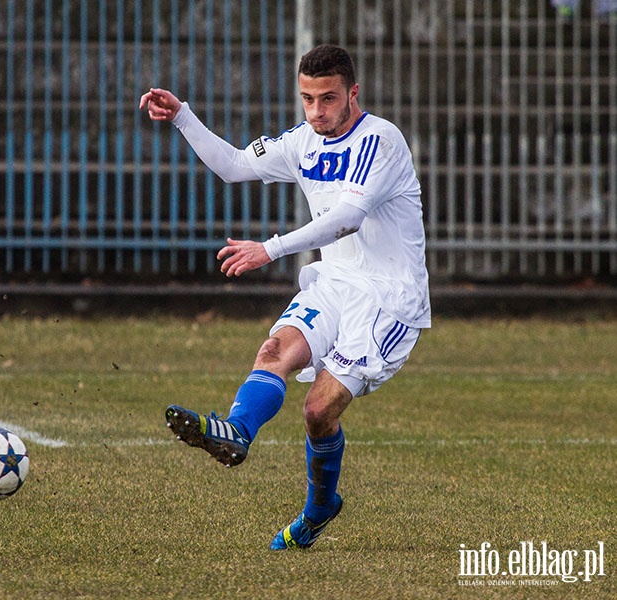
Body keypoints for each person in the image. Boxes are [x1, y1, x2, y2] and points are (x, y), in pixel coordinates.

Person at [139, 44, 431, 550]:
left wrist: (269, 249)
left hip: (389, 299)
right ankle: (234, 431)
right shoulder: (303, 142)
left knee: (318, 411)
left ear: (352, 94)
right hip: (335, 284)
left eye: (328, 99)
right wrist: (183, 116)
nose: (317, 111)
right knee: (273, 351)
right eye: (307, 99)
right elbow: (232, 165)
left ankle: (320, 506)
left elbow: (346, 219)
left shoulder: (381, 142)